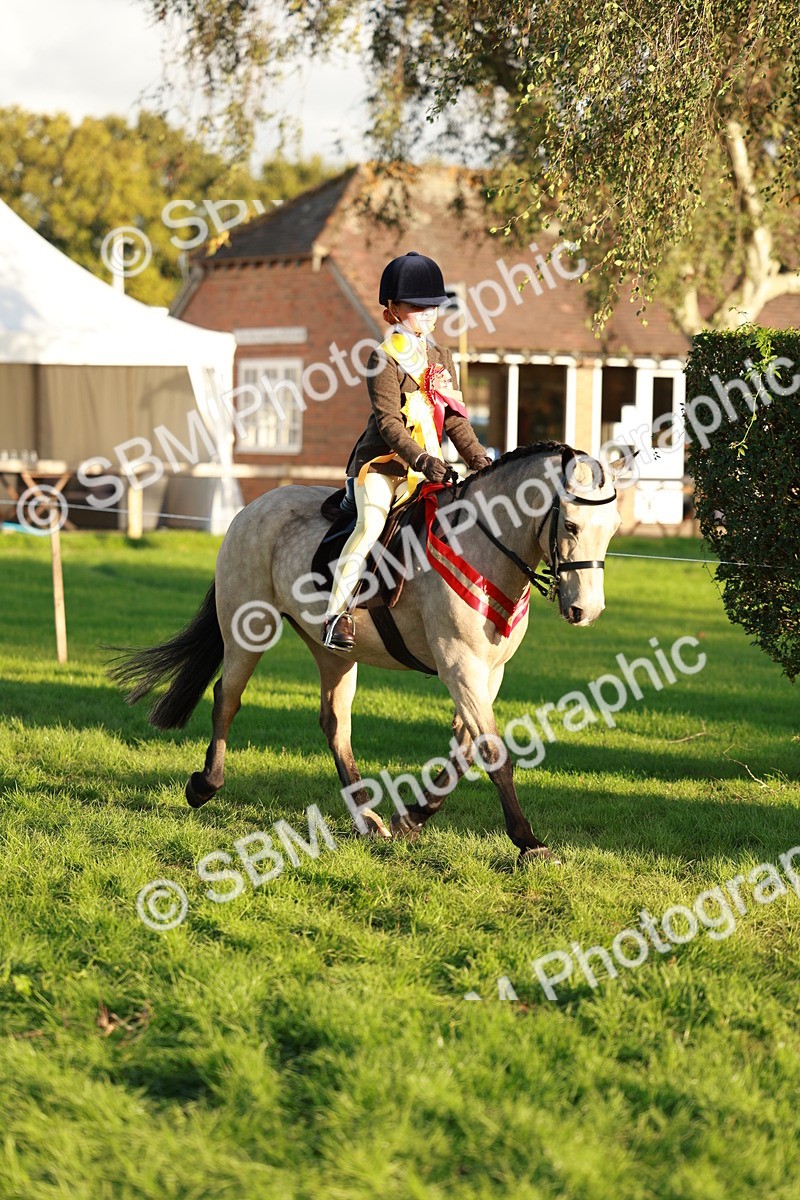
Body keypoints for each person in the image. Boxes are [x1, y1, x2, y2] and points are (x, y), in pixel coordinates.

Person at [322, 251, 492, 651]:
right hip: (383, 466)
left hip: (429, 468)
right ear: (393, 310)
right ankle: (336, 615)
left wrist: (478, 459)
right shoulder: (383, 358)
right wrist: (422, 460)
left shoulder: (442, 358)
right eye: (418, 307)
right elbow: (389, 425)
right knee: (370, 527)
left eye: (433, 307)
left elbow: (453, 420)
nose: (428, 315)